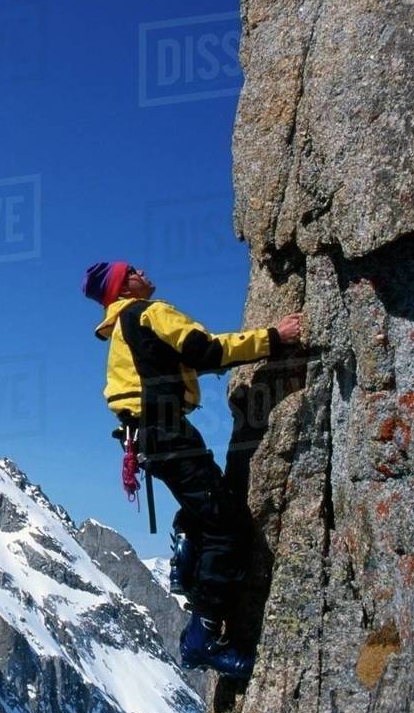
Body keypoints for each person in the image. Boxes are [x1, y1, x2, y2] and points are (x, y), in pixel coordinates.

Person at [82, 260, 302, 679]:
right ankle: (201, 637)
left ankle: (188, 552)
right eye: (133, 269)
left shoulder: (124, 329)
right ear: (123, 286)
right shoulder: (149, 312)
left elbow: (184, 360)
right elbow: (206, 350)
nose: (143, 270)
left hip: (149, 438)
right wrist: (276, 338)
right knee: (227, 526)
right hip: (169, 434)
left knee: (208, 509)